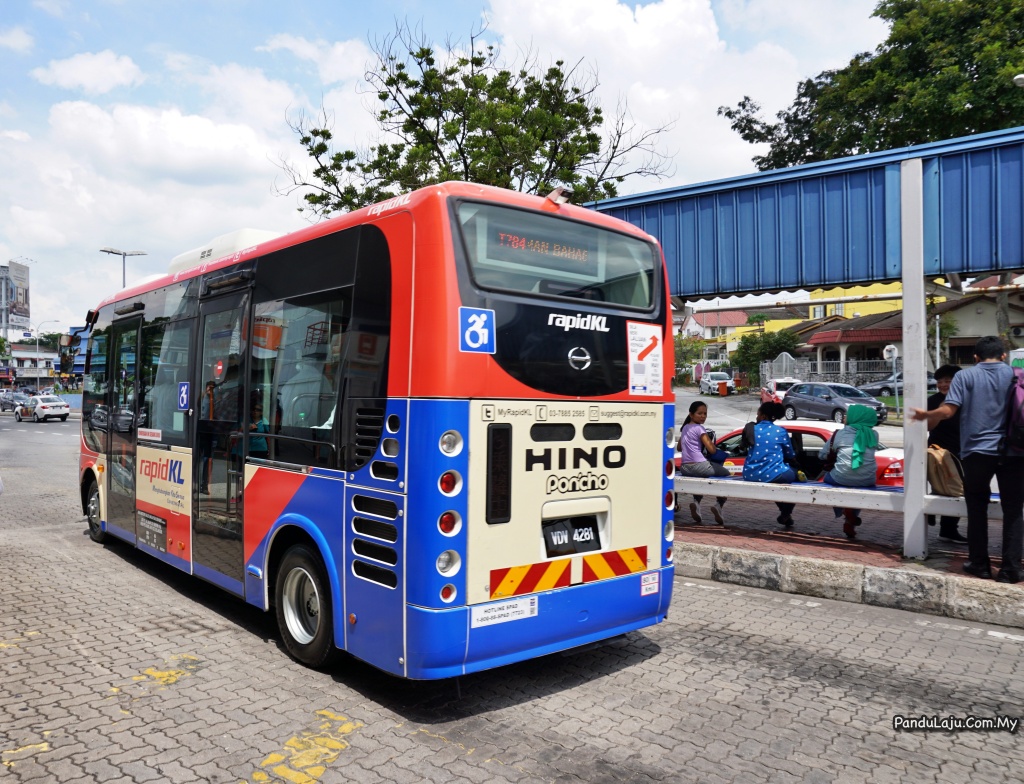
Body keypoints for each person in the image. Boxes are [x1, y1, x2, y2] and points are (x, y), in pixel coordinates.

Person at [911, 336, 1024, 583]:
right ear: (1003, 355)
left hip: (977, 452)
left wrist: (926, 414)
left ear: (975, 357)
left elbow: (948, 410)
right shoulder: (1017, 374)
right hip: (1015, 451)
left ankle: (979, 564)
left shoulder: (965, 376)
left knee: (976, 507)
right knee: (1014, 510)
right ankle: (1011, 569)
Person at [819, 404, 879, 539]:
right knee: (857, 485)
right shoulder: (874, 434)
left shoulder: (840, 434)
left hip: (841, 477)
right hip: (868, 479)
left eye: (847, 415)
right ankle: (849, 520)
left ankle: (845, 511)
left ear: (856, 417)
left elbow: (822, 455)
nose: (845, 417)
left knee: (829, 479)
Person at [741, 402, 802, 527]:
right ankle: (786, 513)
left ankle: (786, 516)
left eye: (758, 414)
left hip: (750, 474)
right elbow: (790, 454)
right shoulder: (780, 431)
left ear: (763, 416)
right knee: (795, 476)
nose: (756, 417)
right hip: (772, 474)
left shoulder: (751, 429)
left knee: (774, 480)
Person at [925, 365, 966, 543]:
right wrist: (941, 411)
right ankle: (932, 512)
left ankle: (948, 528)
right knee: (943, 486)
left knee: (957, 490)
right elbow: (928, 426)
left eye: (947, 381)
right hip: (938, 451)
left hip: (961, 451)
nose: (942, 385)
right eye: (939, 381)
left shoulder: (966, 399)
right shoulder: (933, 401)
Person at [677, 401, 728, 525]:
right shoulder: (699, 428)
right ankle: (718, 505)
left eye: (705, 414)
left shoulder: (685, 428)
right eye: (699, 413)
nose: (703, 416)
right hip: (699, 465)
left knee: (700, 477)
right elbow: (711, 449)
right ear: (691, 414)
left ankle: (696, 504)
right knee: (725, 475)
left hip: (685, 467)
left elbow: (679, 448)